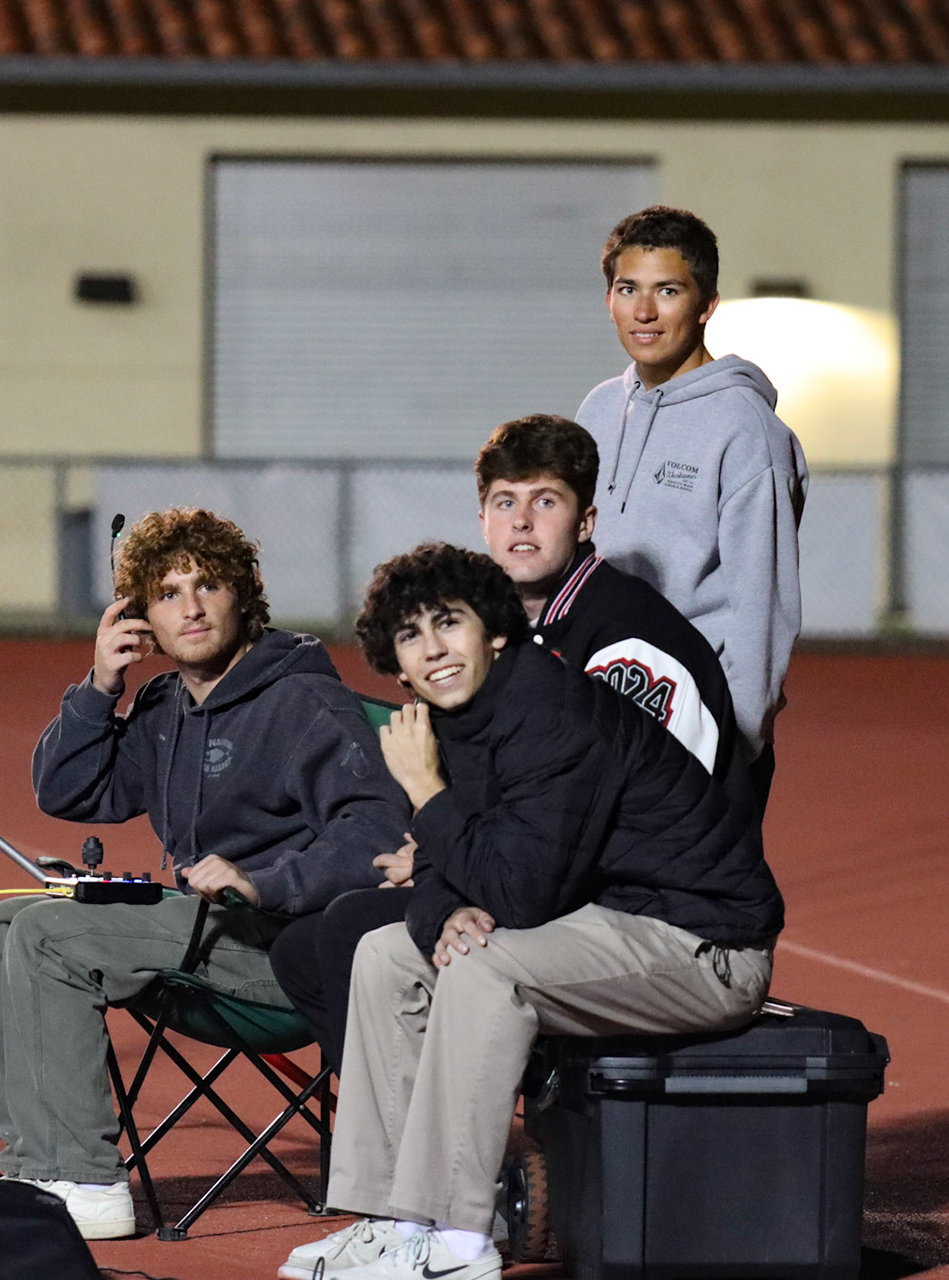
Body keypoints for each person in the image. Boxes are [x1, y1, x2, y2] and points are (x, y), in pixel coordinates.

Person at [278, 543, 782, 1280]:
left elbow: (518, 893)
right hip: (610, 916)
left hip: (705, 945)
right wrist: (441, 914)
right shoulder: (460, 717)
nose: (433, 649)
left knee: (486, 971)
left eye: (449, 623)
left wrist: (426, 792)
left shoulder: (551, 711)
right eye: (411, 636)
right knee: (386, 954)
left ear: (494, 631)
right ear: (397, 664)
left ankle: (459, 1240)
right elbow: (453, 855)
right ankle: (391, 1221)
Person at [0, 507, 408, 1240]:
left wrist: (266, 881)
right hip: (205, 933)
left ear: (244, 595)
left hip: (282, 948)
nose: (193, 608)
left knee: (48, 936)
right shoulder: (165, 705)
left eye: (209, 585)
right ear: (142, 616)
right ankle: (38, 1165)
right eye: (168, 594)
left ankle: (87, 1180)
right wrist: (100, 685)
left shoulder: (302, 700)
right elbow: (67, 791)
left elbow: (377, 831)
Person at [267, 414, 743, 1071]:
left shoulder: (626, 640)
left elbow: (625, 821)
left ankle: (469, 1105)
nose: (521, 522)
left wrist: (450, 856)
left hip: (636, 900)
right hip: (537, 864)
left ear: (585, 522)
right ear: (483, 521)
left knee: (355, 929)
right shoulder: (498, 636)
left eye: (545, 502)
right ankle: (408, 1116)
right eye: (504, 503)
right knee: (305, 946)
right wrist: (447, 865)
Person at [576, 205, 808, 812]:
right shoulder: (598, 409)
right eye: (628, 289)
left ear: (706, 305)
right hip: (598, 719)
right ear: (609, 300)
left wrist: (736, 749)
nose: (644, 312)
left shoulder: (747, 431)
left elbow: (764, 609)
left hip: (697, 731)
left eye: (668, 291)